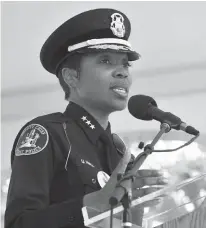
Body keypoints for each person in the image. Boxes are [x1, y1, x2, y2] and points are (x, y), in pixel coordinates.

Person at [4, 8, 168, 228]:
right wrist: (93, 205)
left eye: (125, 63)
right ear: (71, 77)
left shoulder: (120, 151)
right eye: (106, 61)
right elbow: (19, 223)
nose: (122, 72)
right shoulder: (46, 134)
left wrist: (136, 210)